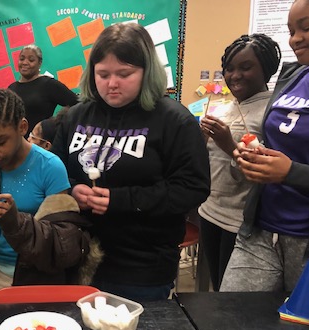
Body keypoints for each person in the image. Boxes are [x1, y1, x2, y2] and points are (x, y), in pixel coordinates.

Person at [52, 22, 210, 303]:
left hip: (142, 267)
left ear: (147, 73)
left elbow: (192, 189)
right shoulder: (74, 117)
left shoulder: (174, 120)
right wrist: (73, 189)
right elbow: (56, 174)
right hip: (76, 256)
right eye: (103, 74)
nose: (112, 83)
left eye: (124, 74)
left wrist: (121, 200)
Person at [0, 88, 100, 298]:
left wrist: (15, 222)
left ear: (22, 127)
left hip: (40, 281)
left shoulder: (50, 167)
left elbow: (64, 244)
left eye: (0, 141)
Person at [221, 0, 309, 292]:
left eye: (306, 28)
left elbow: (291, 165)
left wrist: (291, 173)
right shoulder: (294, 76)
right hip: (260, 228)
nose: (295, 39)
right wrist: (254, 154)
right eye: (291, 30)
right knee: (230, 320)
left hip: (304, 238)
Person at [198, 34, 281, 291]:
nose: (235, 75)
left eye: (246, 67)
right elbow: (211, 163)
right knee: (215, 284)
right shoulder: (226, 108)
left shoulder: (272, 112)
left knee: (230, 296)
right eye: (229, 69)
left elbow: (266, 173)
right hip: (210, 210)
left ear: (265, 69)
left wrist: (228, 145)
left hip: (240, 221)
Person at [8, 44, 78, 137]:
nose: (25, 62)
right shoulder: (11, 89)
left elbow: (76, 103)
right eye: (22, 59)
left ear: (39, 63)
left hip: (41, 143)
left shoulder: (48, 84)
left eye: (31, 60)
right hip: (17, 144)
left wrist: (55, 123)